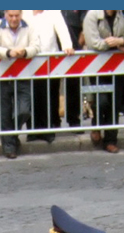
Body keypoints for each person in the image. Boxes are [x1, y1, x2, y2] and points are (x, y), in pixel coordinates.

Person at [0, 10, 41, 159]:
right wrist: (8, 52)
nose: (14, 19)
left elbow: (36, 46)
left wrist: (24, 52)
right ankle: (9, 147)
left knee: (24, 110)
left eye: (17, 16)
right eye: (11, 16)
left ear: (21, 14)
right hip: (3, 76)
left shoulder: (29, 26)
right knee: (4, 113)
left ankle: (11, 136)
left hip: (23, 76)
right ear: (5, 15)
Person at [83, 10, 124, 154]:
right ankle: (96, 126)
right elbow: (93, 43)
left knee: (114, 103)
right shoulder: (92, 15)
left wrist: (121, 41)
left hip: (117, 66)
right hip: (97, 67)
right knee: (102, 101)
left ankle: (111, 140)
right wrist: (117, 46)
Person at [24, 10, 74, 145]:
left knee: (50, 96)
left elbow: (62, 29)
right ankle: (33, 130)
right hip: (30, 60)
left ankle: (48, 130)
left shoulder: (53, 11)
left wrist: (67, 46)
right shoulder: (24, 12)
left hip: (51, 60)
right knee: (33, 96)